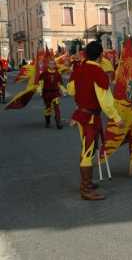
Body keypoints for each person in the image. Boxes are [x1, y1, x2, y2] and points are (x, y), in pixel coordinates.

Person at [67, 41, 123, 201]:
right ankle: (85, 189)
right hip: (90, 117)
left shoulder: (79, 68)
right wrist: (116, 118)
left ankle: (87, 183)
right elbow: (105, 100)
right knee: (88, 151)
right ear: (100, 55)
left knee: (87, 149)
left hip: (80, 114)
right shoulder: (97, 71)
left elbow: (70, 90)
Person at [38, 59, 65, 129]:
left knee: (57, 107)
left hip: (55, 93)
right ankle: (47, 121)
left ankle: (58, 122)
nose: (52, 65)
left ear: (55, 65)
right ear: (48, 65)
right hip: (46, 94)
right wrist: (40, 91)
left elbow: (60, 84)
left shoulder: (57, 74)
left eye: (53, 64)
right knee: (48, 108)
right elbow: (41, 83)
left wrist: (63, 90)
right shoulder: (44, 74)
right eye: (50, 63)